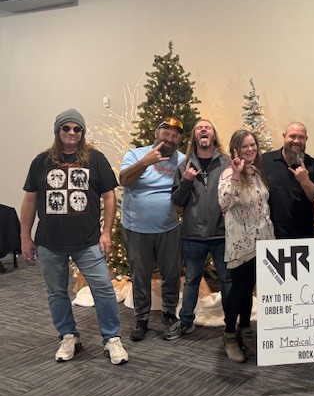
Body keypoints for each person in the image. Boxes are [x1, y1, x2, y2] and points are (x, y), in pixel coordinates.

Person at [20, 108, 128, 365]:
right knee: (57, 292)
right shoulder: (41, 161)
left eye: (77, 129)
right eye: (66, 128)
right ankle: (68, 336)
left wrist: (106, 232)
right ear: (57, 131)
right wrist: (25, 236)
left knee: (103, 290)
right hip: (49, 242)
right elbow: (30, 200)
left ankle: (111, 338)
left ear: (82, 132)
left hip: (87, 241)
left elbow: (109, 196)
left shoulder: (96, 159)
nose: (71, 132)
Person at [120, 117, 186, 341]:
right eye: (166, 133)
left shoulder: (182, 160)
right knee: (140, 276)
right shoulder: (136, 155)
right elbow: (123, 180)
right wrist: (145, 162)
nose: (170, 138)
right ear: (157, 134)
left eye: (174, 135)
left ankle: (169, 314)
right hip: (137, 229)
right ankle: (141, 319)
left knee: (172, 275)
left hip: (169, 228)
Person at [166, 119, 231, 340]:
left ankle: (231, 325)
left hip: (222, 233)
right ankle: (186, 322)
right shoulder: (184, 166)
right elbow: (177, 201)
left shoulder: (226, 163)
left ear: (213, 135)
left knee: (227, 280)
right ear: (195, 136)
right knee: (192, 280)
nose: (204, 129)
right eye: (199, 128)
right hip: (193, 235)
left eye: (208, 127)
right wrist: (186, 181)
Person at [218, 129, 275, 363]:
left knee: (249, 288)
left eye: (253, 145)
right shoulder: (229, 174)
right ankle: (229, 335)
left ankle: (245, 329)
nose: (250, 149)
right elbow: (223, 202)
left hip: (263, 242)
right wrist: (235, 174)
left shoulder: (256, 172)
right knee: (238, 290)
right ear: (236, 150)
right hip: (242, 244)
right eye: (245, 146)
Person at [263, 122, 314, 238]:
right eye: (292, 136)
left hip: (305, 235)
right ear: (284, 136)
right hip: (271, 236)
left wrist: (305, 181)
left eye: (301, 137)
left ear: (306, 139)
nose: (296, 141)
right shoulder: (265, 160)